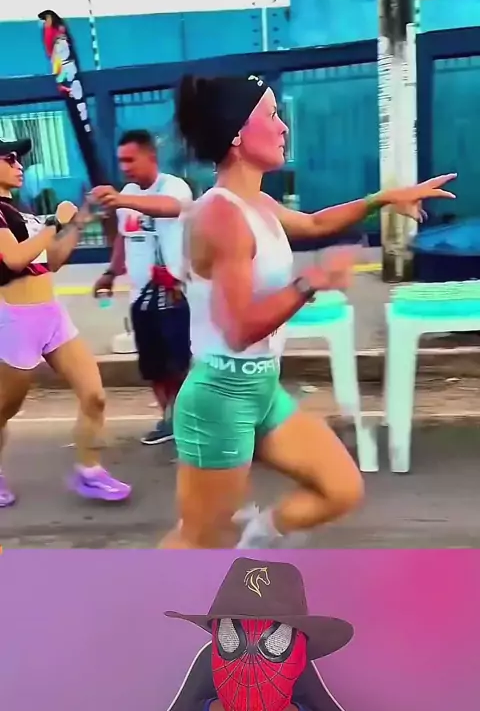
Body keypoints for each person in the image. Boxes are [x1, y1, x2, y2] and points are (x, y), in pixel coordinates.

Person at [159, 74, 457, 550]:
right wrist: (311, 281)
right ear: (237, 134)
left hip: (261, 388)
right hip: (221, 396)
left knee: (340, 489)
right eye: (271, 115)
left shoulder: (256, 203)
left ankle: (256, 540)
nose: (283, 127)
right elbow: (238, 329)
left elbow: (316, 223)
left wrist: (383, 200)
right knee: (198, 539)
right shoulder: (221, 215)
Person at [107, 556, 396, 711]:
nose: (250, 665)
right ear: (216, 647)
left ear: (300, 657)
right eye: (232, 640)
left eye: (275, 645)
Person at [0, 137, 131, 506]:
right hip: (15, 321)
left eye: (19, 159)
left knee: (95, 395)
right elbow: (13, 259)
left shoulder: (21, 210)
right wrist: (53, 222)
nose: (19, 165)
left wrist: (76, 225)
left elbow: (52, 261)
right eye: (10, 158)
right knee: (4, 409)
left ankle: (90, 472)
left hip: (52, 315)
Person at [92, 129, 193, 445]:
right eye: (121, 161)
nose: (124, 167)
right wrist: (111, 272)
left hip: (175, 294)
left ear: (151, 157)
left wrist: (122, 199)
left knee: (179, 363)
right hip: (141, 298)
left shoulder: (173, 187)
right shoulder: (128, 194)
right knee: (153, 367)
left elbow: (170, 208)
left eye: (130, 160)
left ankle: (186, 418)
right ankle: (169, 420)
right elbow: (125, 238)